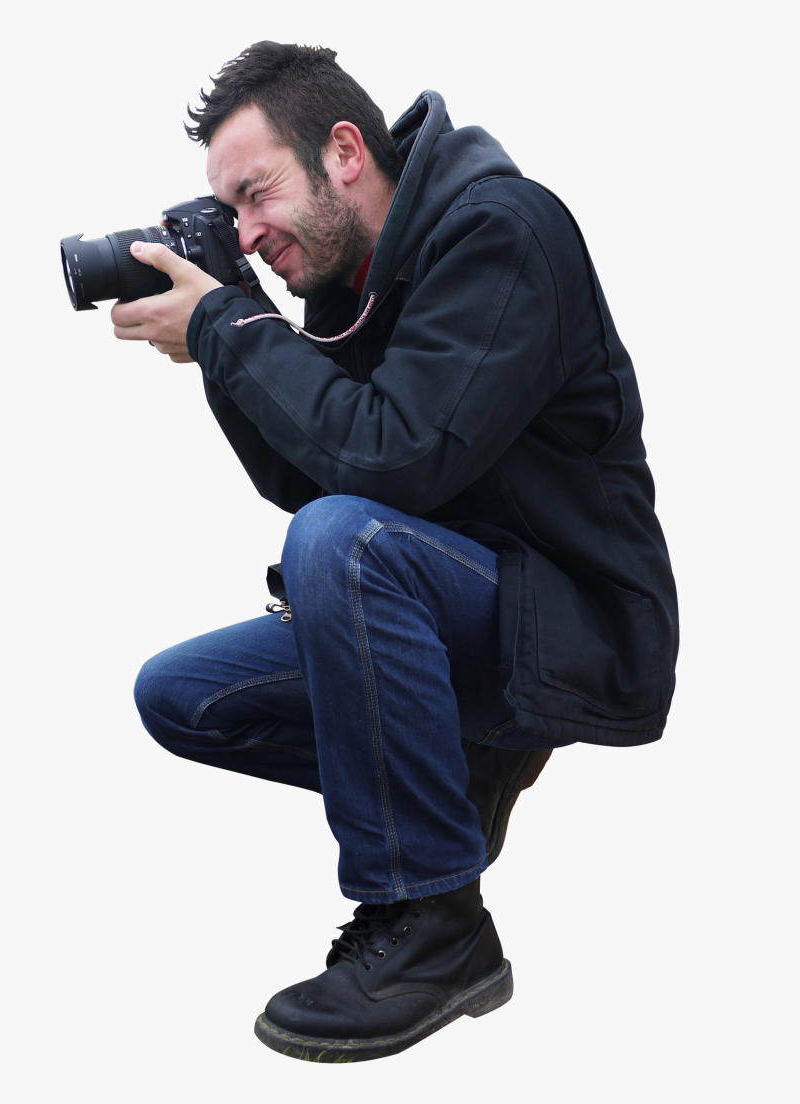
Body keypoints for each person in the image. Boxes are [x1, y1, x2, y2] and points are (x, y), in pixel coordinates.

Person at [113, 41, 679, 1062]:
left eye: (254, 194)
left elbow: (392, 466)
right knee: (182, 696)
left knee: (343, 542)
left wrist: (231, 328)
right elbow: (309, 474)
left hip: (567, 623)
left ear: (341, 152)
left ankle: (433, 927)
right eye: (228, 216)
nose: (245, 232)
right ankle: (461, 773)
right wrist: (219, 341)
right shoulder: (350, 286)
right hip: (451, 613)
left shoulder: (498, 230)